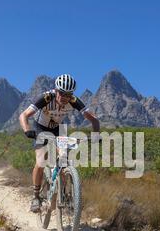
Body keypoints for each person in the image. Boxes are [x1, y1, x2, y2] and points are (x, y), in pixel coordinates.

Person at [19, 74, 100, 212]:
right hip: (40, 127)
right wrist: (27, 130)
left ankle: (63, 194)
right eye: (61, 93)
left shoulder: (75, 101)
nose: (64, 97)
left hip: (58, 129)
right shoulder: (46, 97)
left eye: (68, 95)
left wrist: (96, 135)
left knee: (63, 160)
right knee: (40, 162)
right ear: (56, 91)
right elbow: (24, 115)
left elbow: (94, 120)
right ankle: (36, 197)